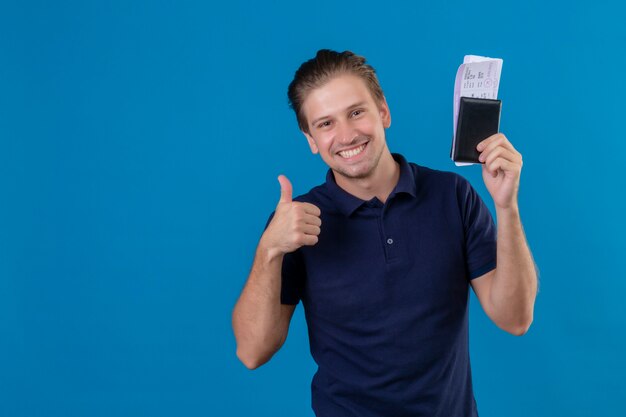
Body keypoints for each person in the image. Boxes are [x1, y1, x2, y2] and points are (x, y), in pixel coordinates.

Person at [232, 49, 538, 417]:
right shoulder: (295, 221)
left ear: (383, 112)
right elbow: (252, 352)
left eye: (356, 112)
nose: (345, 135)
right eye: (325, 124)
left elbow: (516, 318)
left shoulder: (452, 196)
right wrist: (269, 249)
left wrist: (507, 206)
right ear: (311, 139)